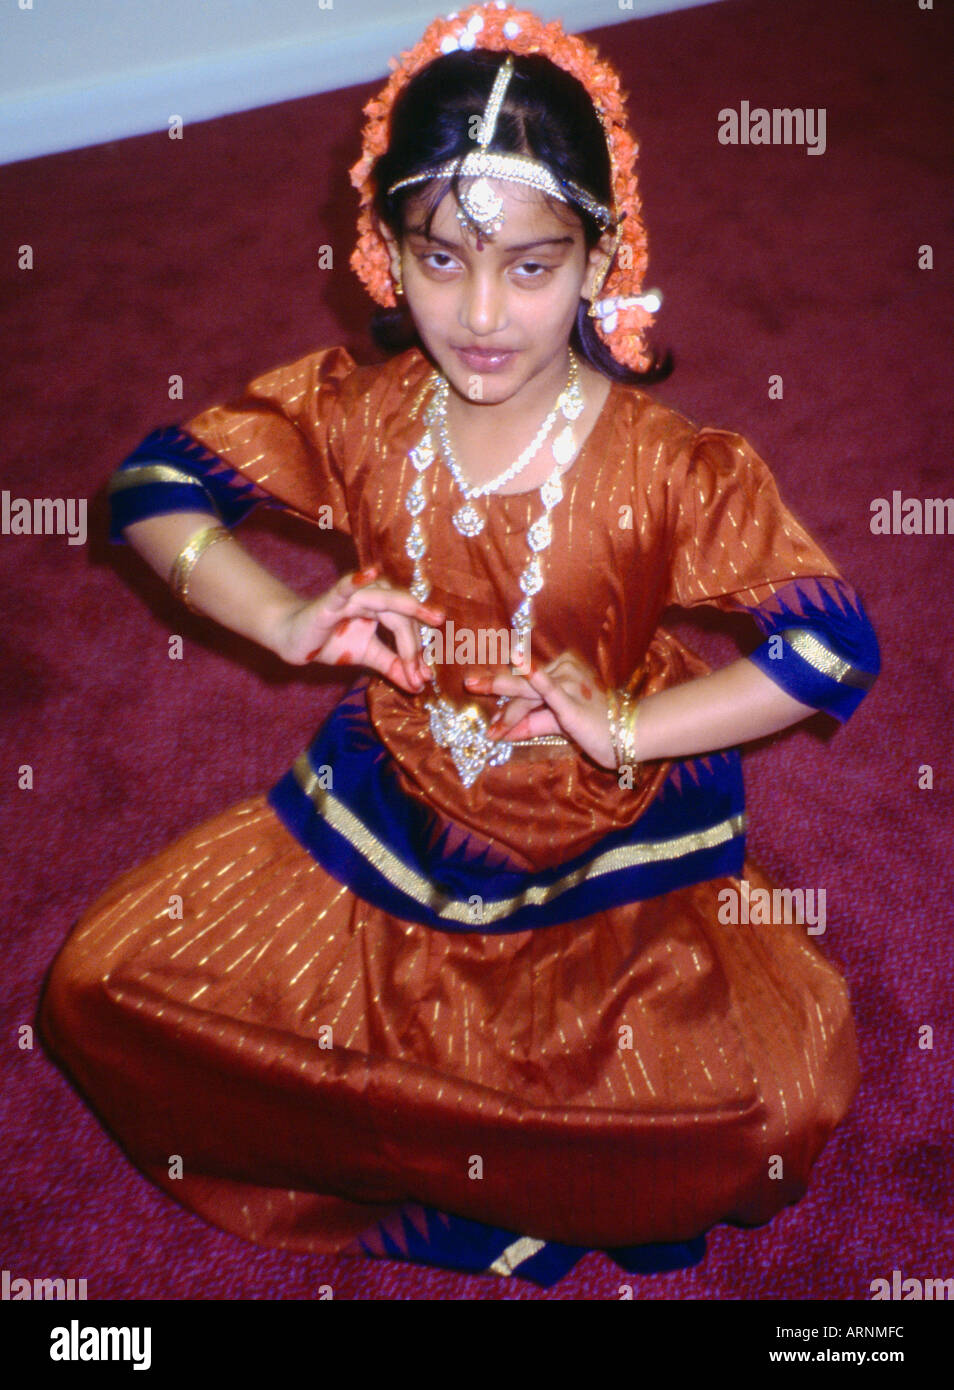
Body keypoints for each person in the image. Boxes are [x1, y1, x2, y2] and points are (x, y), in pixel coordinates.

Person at [38, 2, 880, 1288]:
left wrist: (630, 729)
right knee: (98, 992)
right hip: (389, 814)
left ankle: (459, 1150)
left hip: (607, 852)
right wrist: (282, 617)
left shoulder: (670, 467)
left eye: (531, 267)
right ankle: (471, 1170)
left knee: (767, 1121)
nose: (482, 314)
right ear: (384, 253)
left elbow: (830, 649)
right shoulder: (361, 412)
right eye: (441, 261)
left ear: (602, 259)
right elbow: (156, 486)